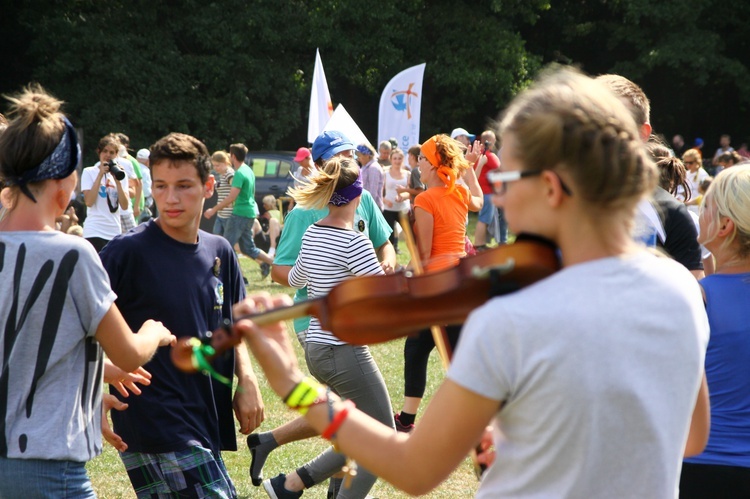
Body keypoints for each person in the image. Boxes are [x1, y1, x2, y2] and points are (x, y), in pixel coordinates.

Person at [234, 68, 710, 498]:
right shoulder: (679, 287)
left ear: (550, 186)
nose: (495, 193)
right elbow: (692, 436)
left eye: (505, 175)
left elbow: (414, 469)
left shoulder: (512, 315)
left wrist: (293, 385)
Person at [0, 84, 174, 498]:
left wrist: (90, 381)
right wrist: (154, 330)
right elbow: (129, 352)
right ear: (62, 181)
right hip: (48, 469)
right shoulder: (72, 254)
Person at [100, 133, 264, 498]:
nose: (170, 198)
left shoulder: (220, 250)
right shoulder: (127, 252)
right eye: (161, 186)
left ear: (208, 187)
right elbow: (72, 323)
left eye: (183, 186)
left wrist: (247, 379)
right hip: (154, 417)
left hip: (205, 414)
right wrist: (99, 379)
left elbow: (234, 325)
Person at [248, 130, 395, 497]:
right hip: (343, 348)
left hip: (316, 347)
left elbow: (297, 276)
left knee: (356, 428)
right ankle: (297, 484)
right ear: (359, 193)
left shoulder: (314, 232)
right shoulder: (355, 241)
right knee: (382, 436)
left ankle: (290, 485)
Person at [394, 133, 483, 432]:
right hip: (459, 284)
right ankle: (407, 419)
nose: (417, 163)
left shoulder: (425, 199)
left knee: (437, 353)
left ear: (433, 165)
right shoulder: (457, 192)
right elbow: (479, 201)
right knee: (420, 349)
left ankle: (474, 422)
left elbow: (424, 254)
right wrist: (469, 169)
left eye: (421, 159)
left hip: (440, 288)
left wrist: (404, 279)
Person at [680, 164, 750, 497]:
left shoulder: (698, 296)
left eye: (706, 205)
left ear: (725, 226)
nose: (699, 211)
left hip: (706, 465)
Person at [597, 73, 705, 279]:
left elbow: (693, 296)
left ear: (643, 133)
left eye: (616, 124)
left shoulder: (671, 213)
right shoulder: (558, 202)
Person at [203, 143, 273, 279]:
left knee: (226, 247)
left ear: (233, 156)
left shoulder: (239, 174)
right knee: (248, 248)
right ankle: (277, 265)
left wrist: (213, 210)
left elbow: (231, 197)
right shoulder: (248, 170)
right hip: (249, 212)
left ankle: (239, 278)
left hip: (240, 213)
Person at [80, 134, 130, 252]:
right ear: (99, 152)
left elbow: (124, 205)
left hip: (114, 231)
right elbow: (89, 202)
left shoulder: (121, 174)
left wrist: (118, 182)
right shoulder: (89, 172)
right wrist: (100, 175)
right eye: (105, 151)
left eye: (112, 152)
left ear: (116, 155)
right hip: (94, 230)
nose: (108, 155)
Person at [472, 130, 502, 250]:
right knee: (484, 219)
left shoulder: (477, 155)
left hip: (481, 191)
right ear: (491, 141)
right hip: (487, 192)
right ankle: (479, 244)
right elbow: (501, 169)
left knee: (484, 218)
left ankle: (481, 243)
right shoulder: (489, 155)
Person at [381, 147, 410, 252]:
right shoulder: (385, 173)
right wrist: (385, 200)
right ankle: (391, 258)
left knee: (410, 233)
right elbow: (379, 191)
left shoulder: (408, 174)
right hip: (388, 208)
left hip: (403, 208)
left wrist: (403, 196)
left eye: (399, 158)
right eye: (395, 158)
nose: (397, 161)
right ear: (391, 159)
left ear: (403, 159)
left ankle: (414, 257)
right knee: (389, 235)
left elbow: (410, 191)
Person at [206, 150, 234, 237]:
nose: (215, 168)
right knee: (216, 237)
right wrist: (213, 183)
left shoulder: (229, 174)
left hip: (229, 214)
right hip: (221, 214)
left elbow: (236, 189)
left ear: (225, 163)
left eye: (218, 165)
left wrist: (232, 201)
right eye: (214, 165)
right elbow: (222, 187)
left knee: (228, 240)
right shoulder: (222, 175)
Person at [355, 143, 384, 211]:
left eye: (359, 156)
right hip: (366, 206)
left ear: (367, 155)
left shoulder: (373, 168)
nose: (358, 159)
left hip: (372, 207)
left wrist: (368, 209)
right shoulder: (366, 167)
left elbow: (373, 192)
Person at [136, 147, 153, 220]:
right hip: (142, 203)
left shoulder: (133, 167)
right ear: (147, 161)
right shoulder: (146, 171)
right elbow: (146, 191)